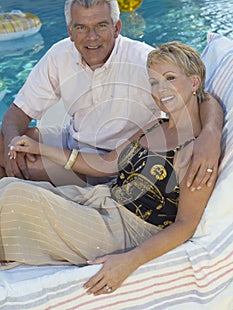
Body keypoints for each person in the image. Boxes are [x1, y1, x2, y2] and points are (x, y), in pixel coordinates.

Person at [2, 42, 217, 296]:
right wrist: (40, 148)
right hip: (102, 200)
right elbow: (106, 164)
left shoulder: (198, 151)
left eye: (170, 78)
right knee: (9, 187)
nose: (160, 90)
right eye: (154, 82)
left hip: (125, 232)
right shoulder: (154, 126)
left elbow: (185, 224)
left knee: (16, 202)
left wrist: (131, 260)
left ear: (194, 83)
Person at [0, 0, 222, 189]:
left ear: (117, 28)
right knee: (5, 147)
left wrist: (210, 135)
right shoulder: (60, 54)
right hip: (73, 140)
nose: (92, 37)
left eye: (101, 26)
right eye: (81, 27)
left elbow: (201, 96)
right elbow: (17, 113)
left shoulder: (142, 59)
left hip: (114, 162)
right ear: (70, 31)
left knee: (30, 168)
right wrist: (11, 148)